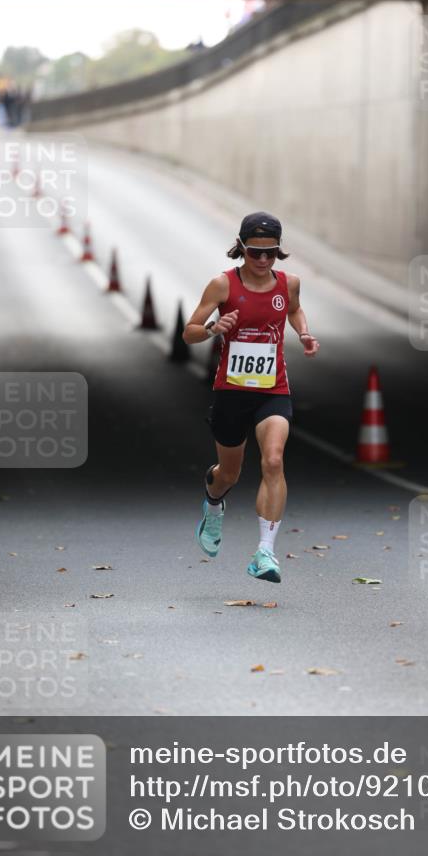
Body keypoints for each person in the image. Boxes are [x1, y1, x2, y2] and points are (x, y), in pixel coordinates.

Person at [183, 212, 319, 583]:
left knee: (273, 460)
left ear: (279, 251)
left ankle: (265, 553)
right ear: (241, 247)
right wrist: (213, 328)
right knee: (229, 473)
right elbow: (189, 332)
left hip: (273, 390)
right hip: (231, 391)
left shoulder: (289, 284)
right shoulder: (222, 285)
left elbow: (294, 310)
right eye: (255, 252)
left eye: (270, 253)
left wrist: (304, 333)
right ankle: (213, 504)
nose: (262, 260)